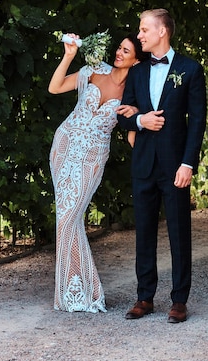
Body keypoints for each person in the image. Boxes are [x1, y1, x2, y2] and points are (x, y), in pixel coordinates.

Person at [116, 9, 207, 323]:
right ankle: (145, 297)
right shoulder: (138, 72)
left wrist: (187, 164)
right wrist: (141, 120)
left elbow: (197, 123)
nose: (139, 35)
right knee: (143, 232)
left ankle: (179, 300)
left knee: (179, 232)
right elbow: (122, 114)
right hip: (143, 163)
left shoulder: (190, 70)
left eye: (143, 30)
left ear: (162, 32)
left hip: (174, 166)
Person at [49, 33, 148, 312]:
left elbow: (133, 133)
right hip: (65, 145)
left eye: (126, 51)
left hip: (92, 157)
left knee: (69, 219)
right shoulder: (93, 70)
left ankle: (84, 290)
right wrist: (69, 55)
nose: (119, 53)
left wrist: (139, 124)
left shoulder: (134, 93)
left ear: (137, 59)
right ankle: (76, 292)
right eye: (119, 47)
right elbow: (55, 87)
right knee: (66, 219)